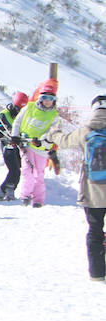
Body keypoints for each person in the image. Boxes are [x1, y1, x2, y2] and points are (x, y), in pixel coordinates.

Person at [48, 95, 106, 281]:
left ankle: (97, 274)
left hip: (93, 192)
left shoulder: (86, 131)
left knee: (95, 231)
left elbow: (63, 141)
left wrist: (53, 133)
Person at [12, 82, 59, 208]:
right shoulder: (29, 107)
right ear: (40, 98)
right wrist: (15, 136)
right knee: (27, 170)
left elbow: (52, 131)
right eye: (45, 98)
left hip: (42, 148)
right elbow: (18, 121)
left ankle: (38, 200)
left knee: (39, 174)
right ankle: (25, 195)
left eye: (51, 98)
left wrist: (42, 140)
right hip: (26, 144)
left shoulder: (54, 115)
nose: (47, 101)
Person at [0, 92, 29, 201]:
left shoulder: (24, 115)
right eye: (17, 109)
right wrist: (2, 131)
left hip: (19, 146)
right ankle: (3, 190)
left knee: (18, 169)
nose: (18, 112)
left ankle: (8, 190)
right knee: (14, 170)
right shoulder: (4, 114)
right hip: (7, 146)